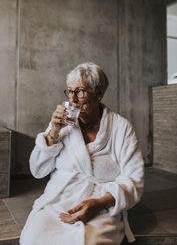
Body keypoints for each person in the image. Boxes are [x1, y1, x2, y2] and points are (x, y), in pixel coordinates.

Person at [20, 62, 144, 245]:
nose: (73, 99)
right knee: (34, 236)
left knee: (90, 241)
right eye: (70, 92)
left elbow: (135, 180)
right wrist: (53, 131)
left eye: (80, 91)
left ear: (99, 93)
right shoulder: (62, 122)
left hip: (101, 201)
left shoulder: (121, 127)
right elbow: (37, 170)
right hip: (61, 198)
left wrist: (100, 203)